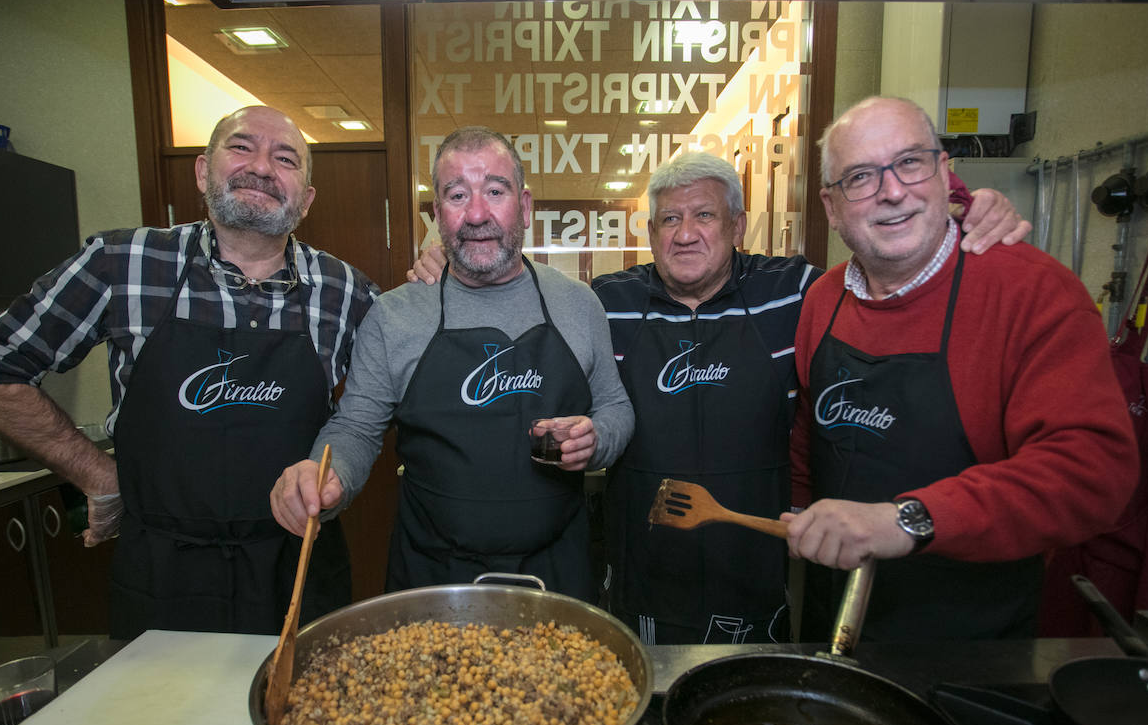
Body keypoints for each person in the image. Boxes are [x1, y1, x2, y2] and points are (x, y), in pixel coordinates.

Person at [409, 147, 1029, 644]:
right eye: (669, 220)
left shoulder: (798, 292)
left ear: (737, 224)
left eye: (704, 215)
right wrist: (449, 264)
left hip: (758, 572)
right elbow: (511, 285)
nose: (685, 234)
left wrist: (965, 210)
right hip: (640, 576)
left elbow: (889, 260)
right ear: (649, 232)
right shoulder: (606, 303)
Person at [0, 105, 380, 639]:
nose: (262, 167)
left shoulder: (348, 291)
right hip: (164, 575)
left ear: (306, 199)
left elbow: (378, 409)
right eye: (241, 147)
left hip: (299, 567)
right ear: (202, 171)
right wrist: (97, 476)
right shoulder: (121, 263)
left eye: (285, 158)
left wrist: (436, 278)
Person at [785, 95, 1138, 641]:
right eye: (860, 177)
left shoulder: (1031, 290)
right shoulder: (824, 299)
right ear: (832, 208)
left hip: (973, 641)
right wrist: (799, 514)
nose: (892, 191)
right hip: (834, 620)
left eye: (910, 162)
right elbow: (813, 433)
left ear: (945, 172)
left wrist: (907, 519)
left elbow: (1093, 473)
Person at [270, 126, 633, 602]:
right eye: (457, 195)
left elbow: (616, 406)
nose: (477, 214)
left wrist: (598, 438)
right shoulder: (396, 314)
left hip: (557, 572)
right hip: (432, 576)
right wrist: (322, 475)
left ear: (523, 207)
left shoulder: (577, 304)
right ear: (438, 214)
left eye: (495, 191)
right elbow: (357, 427)